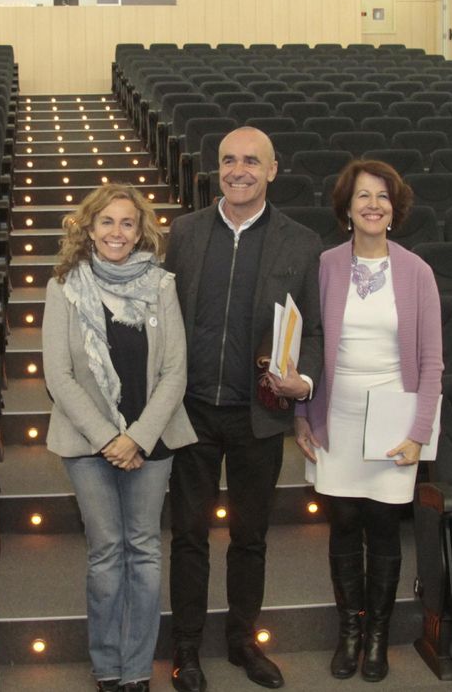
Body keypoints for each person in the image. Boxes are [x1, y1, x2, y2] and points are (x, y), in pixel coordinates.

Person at [164, 126, 325, 691]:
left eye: (251, 162)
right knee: (187, 535)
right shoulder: (182, 234)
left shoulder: (302, 244)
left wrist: (302, 382)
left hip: (258, 414)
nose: (239, 170)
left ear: (272, 170)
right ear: (217, 168)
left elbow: (316, 331)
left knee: (250, 537)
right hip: (190, 412)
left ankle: (241, 641)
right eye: (229, 160)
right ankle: (186, 648)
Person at [42, 183, 197, 692]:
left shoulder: (161, 284)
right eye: (106, 221)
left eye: (127, 222)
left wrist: (138, 437)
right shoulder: (64, 284)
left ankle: (136, 669)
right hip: (88, 444)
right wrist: (111, 437)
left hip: (152, 440)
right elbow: (58, 375)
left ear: (141, 231)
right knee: (107, 552)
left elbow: (175, 372)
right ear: (88, 228)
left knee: (145, 550)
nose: (116, 231)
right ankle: (108, 666)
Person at [296, 159, 443, 682]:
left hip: (393, 421)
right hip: (335, 413)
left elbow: (431, 362)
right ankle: (350, 631)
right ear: (347, 208)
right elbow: (307, 347)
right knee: (344, 526)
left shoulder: (417, 271)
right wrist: (302, 417)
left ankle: (377, 636)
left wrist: (418, 433)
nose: (373, 204)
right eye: (363, 196)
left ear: (394, 208)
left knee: (383, 529)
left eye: (382, 196)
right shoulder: (325, 265)